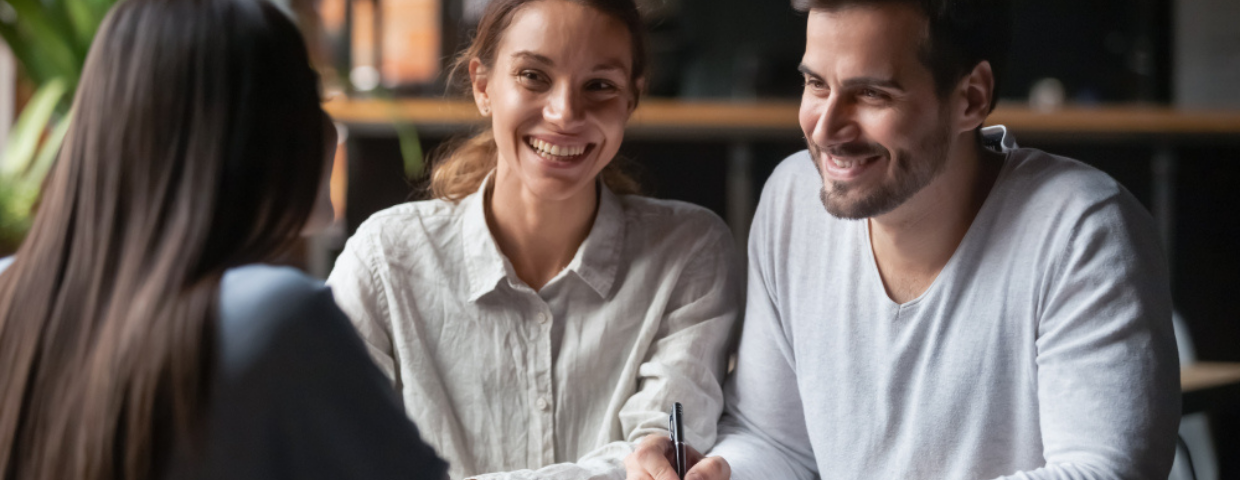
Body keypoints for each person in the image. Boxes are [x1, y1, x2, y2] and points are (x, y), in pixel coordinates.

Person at [624, 1, 1180, 479]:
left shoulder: (1084, 229)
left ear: (971, 98)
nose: (823, 128)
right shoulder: (793, 199)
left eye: (870, 94)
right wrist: (726, 471)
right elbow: (777, 440)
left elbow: (1102, 471)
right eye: (816, 84)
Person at [0, 0, 446, 478]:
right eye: (311, 102)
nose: (329, 130)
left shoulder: (12, 295)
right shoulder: (272, 316)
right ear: (249, 135)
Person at [326, 0, 741, 478]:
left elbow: (657, 459)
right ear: (483, 86)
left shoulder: (690, 250)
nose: (565, 113)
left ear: (631, 99)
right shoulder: (384, 258)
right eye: (533, 76)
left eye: (600, 86)